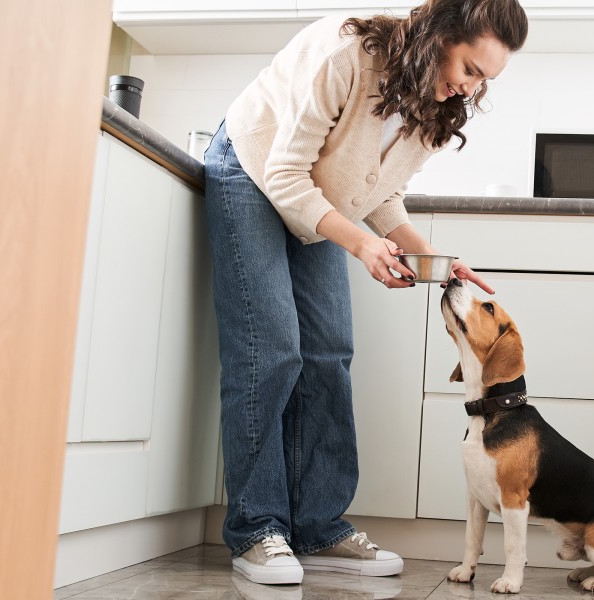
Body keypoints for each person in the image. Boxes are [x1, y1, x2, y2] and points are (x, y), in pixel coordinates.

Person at [202, 0, 529, 586]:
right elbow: (282, 173)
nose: (467, 89)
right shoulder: (346, 55)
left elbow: (379, 193)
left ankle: (318, 527)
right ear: (439, 34)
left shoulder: (436, 108)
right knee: (270, 351)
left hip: (317, 199)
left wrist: (430, 258)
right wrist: (362, 246)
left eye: (482, 80)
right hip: (251, 171)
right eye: (469, 68)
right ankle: (257, 530)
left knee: (329, 353)